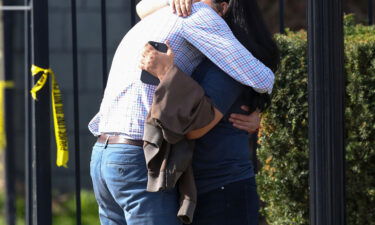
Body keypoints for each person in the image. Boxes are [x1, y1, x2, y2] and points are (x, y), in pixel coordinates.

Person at [88, 0, 275, 224]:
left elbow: (140, 8)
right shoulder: (203, 14)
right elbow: (262, 78)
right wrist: (168, 72)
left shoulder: (158, 16)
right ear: (223, 7)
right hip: (138, 156)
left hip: (103, 153)